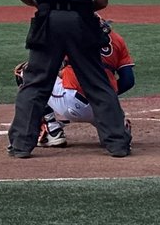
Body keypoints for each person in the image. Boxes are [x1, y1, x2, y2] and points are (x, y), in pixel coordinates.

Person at [7, 0, 132, 159]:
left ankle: (21, 145)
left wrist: (42, 5)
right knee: (97, 83)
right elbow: (101, 2)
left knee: (36, 83)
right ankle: (117, 143)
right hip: (81, 21)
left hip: (48, 20)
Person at [14, 16, 136, 148]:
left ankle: (52, 130)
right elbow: (128, 81)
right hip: (106, 106)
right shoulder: (117, 40)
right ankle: (117, 126)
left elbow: (47, 69)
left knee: (26, 72)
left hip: (72, 104)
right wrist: (105, 96)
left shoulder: (72, 36)